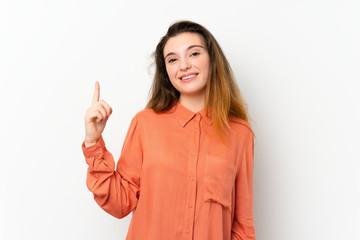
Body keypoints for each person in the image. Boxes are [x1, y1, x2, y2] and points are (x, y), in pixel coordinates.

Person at [82, 20, 256, 240]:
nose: (183, 65)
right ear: (167, 71)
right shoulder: (146, 123)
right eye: (173, 59)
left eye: (194, 54)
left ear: (212, 59)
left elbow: (242, 228)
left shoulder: (240, 133)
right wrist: (93, 142)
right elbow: (120, 203)